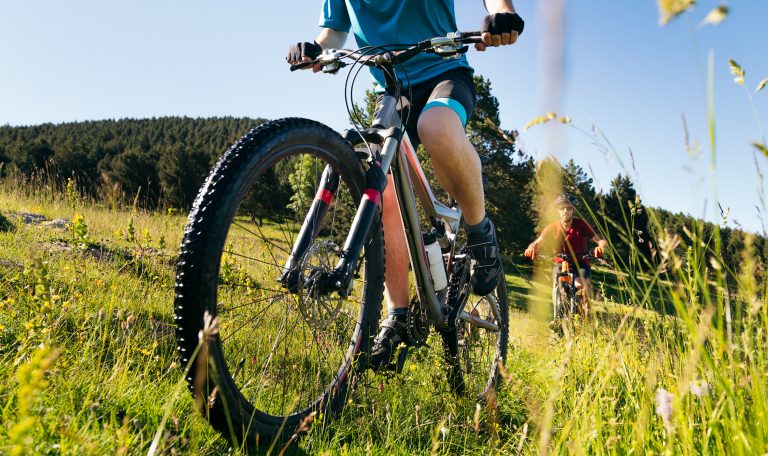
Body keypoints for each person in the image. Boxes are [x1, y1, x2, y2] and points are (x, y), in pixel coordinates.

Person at [287, 0, 524, 369]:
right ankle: (396, 315)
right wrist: (317, 48)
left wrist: (502, 11)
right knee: (379, 185)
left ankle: (480, 231)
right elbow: (334, 29)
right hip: (393, 88)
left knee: (436, 128)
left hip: (444, 70)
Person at [524, 194, 608, 307]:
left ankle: (583, 313)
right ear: (558, 211)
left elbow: (600, 240)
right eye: (561, 208)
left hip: (581, 263)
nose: (565, 211)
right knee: (559, 284)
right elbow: (538, 242)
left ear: (573, 210)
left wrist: (600, 247)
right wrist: (531, 248)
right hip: (560, 263)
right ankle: (558, 315)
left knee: (579, 285)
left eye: (569, 208)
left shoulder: (581, 224)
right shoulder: (552, 227)